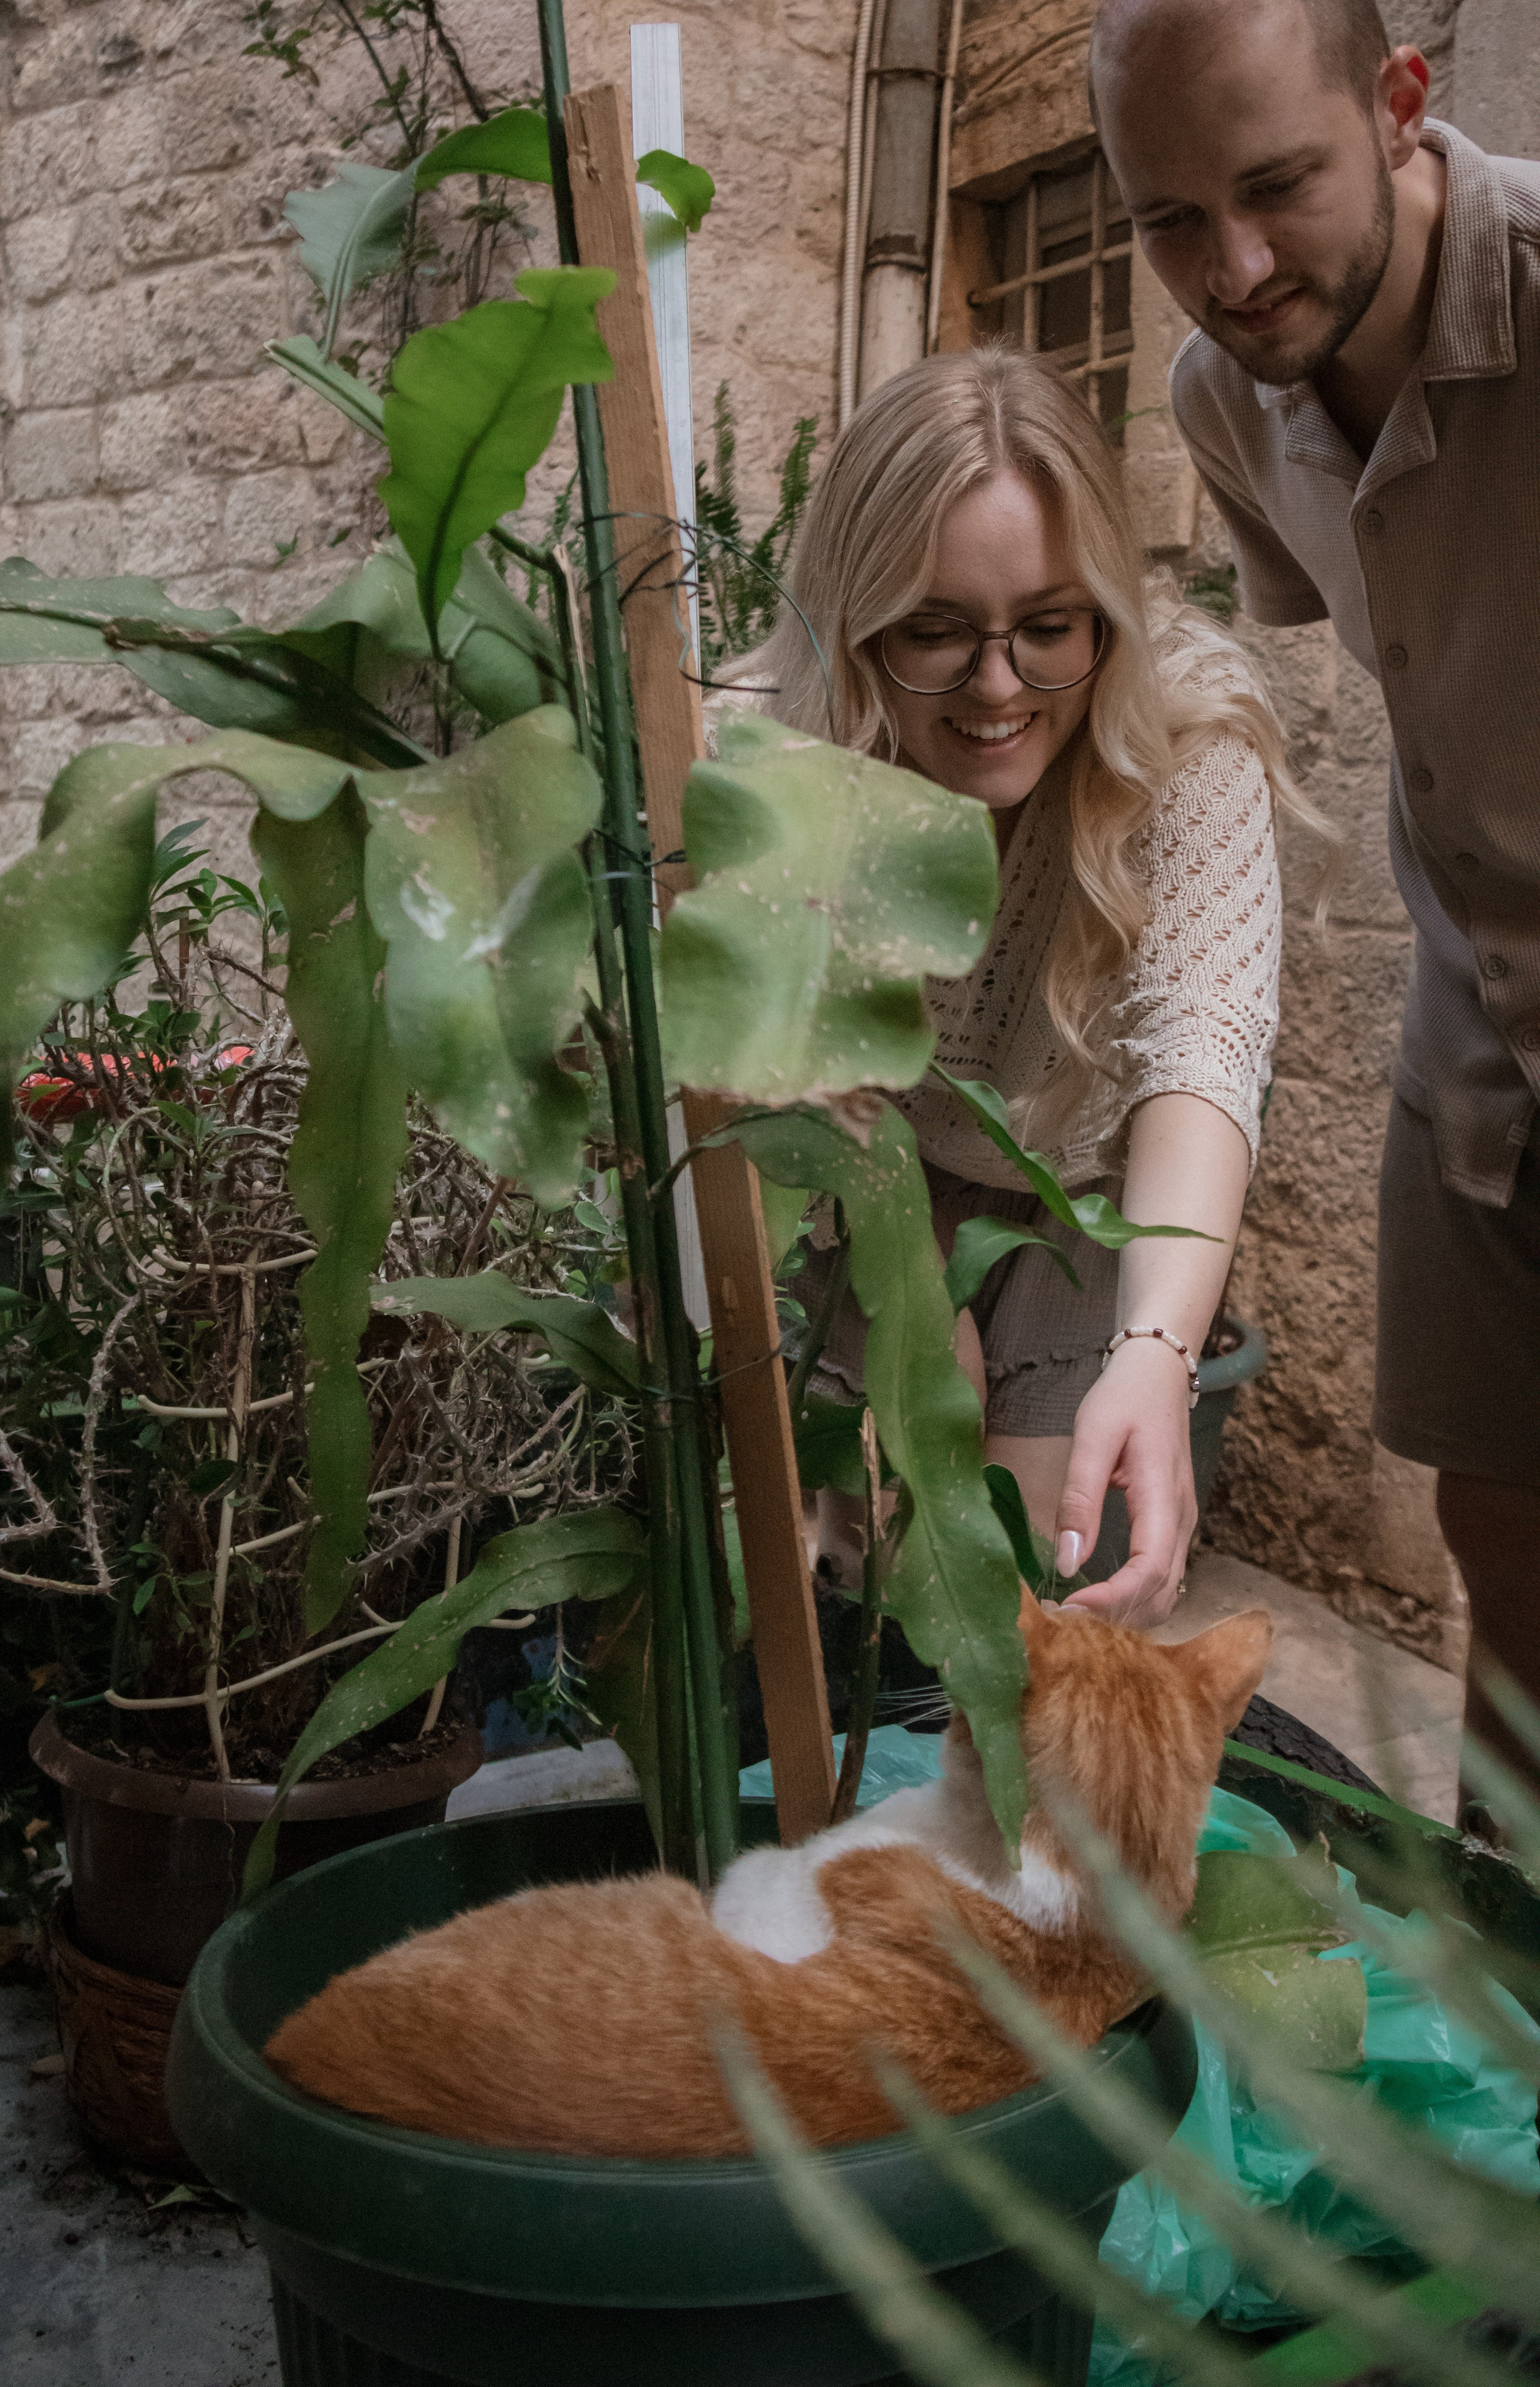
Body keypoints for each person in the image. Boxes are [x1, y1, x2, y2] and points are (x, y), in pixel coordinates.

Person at [1091, 0, 1540, 1785]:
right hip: (1476, 1023)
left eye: (1279, 186)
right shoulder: (1224, 396)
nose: (1239, 266)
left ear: (1405, 107)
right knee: (1498, 1540)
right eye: (1172, 221)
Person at [733, 347, 1325, 1628]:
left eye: (1047, 629)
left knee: (1013, 1603)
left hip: (1072, 1187)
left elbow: (1200, 1048)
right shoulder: (768, 755)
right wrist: (901, 1281)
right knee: (854, 1562)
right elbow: (772, 1060)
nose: (998, 689)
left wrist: (1158, 1354)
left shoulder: (1185, 737)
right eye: (936, 631)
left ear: (1104, 612)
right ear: (855, 620)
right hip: (851, 1164)